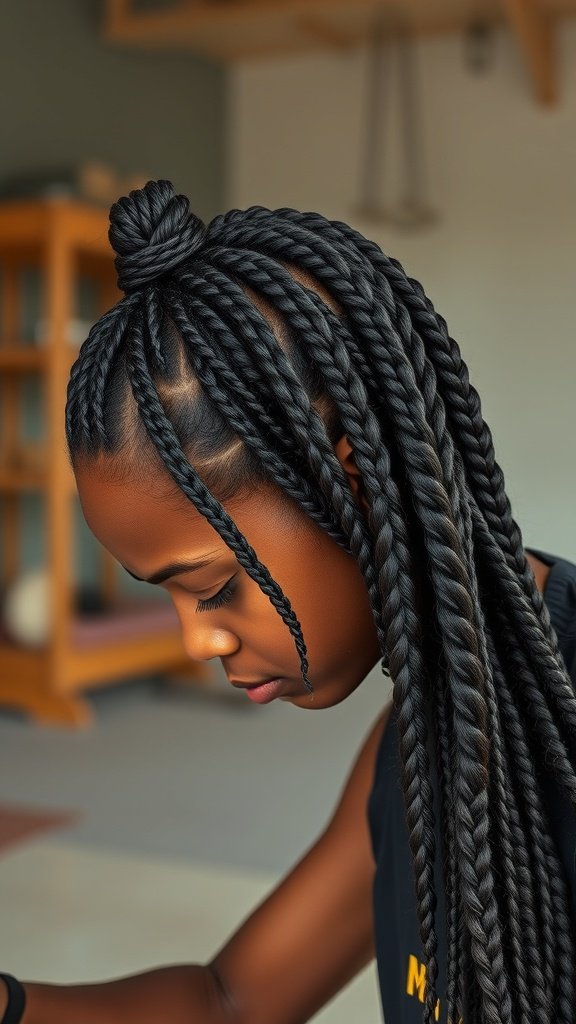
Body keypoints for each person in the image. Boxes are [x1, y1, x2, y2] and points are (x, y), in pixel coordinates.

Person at [2, 180, 575, 1024]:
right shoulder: (421, 744)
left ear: (352, 482)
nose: (198, 643)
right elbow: (232, 1003)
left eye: (214, 589)